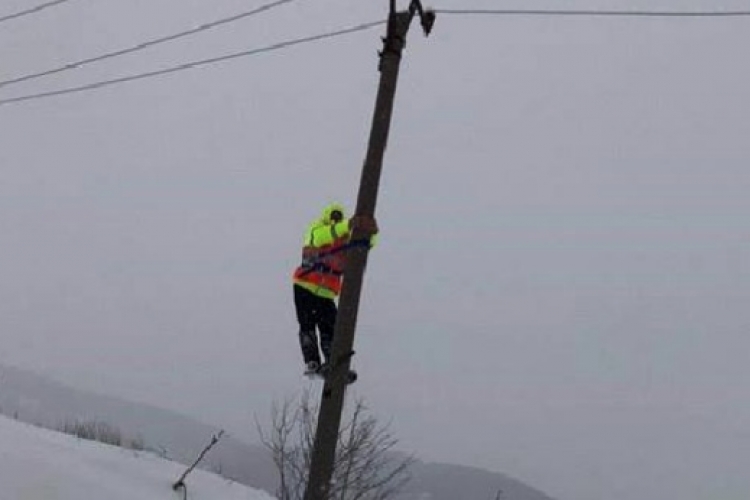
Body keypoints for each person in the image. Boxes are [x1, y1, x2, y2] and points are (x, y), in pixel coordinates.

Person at [292, 202, 378, 376]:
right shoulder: (316, 228)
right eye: (333, 217)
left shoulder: (344, 236)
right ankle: (312, 362)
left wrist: (372, 232)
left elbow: (364, 244)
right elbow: (321, 237)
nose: (335, 221)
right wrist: (348, 225)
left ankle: (333, 362)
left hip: (326, 292)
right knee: (307, 324)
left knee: (330, 327)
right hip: (305, 285)